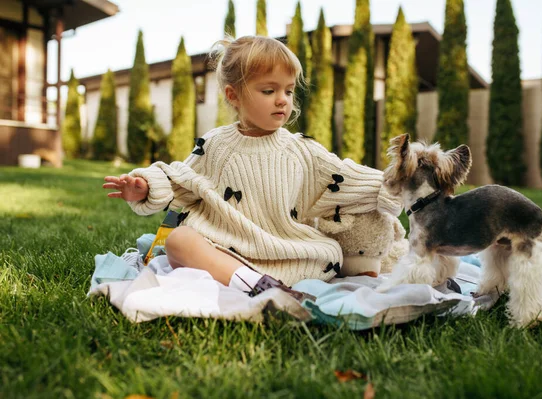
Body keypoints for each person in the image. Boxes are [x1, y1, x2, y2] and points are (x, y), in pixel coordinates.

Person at [103, 35, 402, 301]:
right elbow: (180, 179)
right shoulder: (216, 145)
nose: (282, 100)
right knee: (179, 241)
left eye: (287, 90)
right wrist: (144, 186)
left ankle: (261, 285)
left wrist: (400, 182)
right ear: (234, 95)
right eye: (269, 91)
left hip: (292, 254)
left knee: (330, 249)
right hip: (226, 251)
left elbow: (347, 177)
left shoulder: (302, 150)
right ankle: (260, 286)